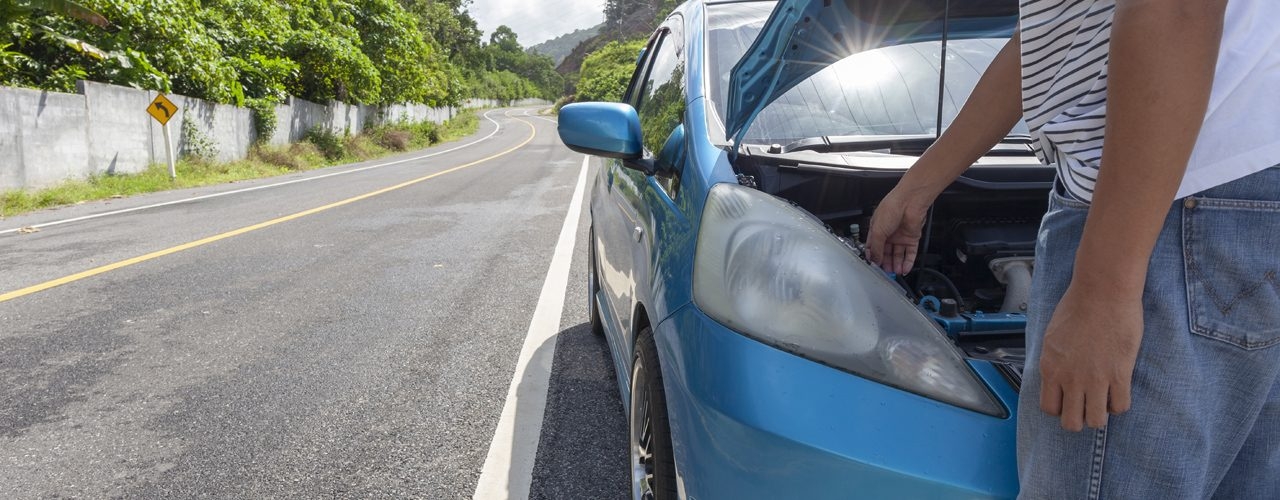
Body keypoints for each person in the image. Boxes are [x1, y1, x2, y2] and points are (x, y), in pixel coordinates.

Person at [865, 0, 1280, 498]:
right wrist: (920, 185)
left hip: (1163, 203)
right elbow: (1055, 39)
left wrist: (1104, 290)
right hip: (1230, 194)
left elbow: (1174, 8)